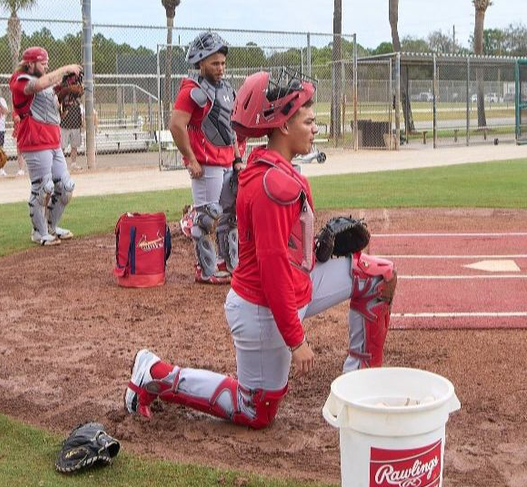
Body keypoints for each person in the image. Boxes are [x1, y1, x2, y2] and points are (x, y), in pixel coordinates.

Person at [125, 69, 397, 429]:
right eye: (308, 121)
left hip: (292, 288)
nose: (315, 129)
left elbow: (284, 250)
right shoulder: (273, 185)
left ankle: (360, 387)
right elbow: (272, 270)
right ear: (283, 126)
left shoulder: (272, 168)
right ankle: (154, 374)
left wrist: (317, 250)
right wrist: (296, 341)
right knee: (255, 410)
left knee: (375, 275)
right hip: (262, 306)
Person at [169, 31, 241, 284]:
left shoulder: (227, 90)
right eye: (214, 63)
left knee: (229, 216)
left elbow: (230, 127)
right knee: (207, 217)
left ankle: (226, 262)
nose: (220, 68)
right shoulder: (192, 89)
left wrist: (237, 158)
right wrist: (191, 159)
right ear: (200, 63)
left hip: (226, 161)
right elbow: (176, 125)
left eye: (223, 63)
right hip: (206, 164)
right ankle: (205, 270)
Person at [9, 47, 83, 245]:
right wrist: (66, 69)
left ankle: (52, 227)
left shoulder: (47, 85)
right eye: (42, 63)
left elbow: (54, 109)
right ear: (30, 64)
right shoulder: (20, 80)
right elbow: (39, 85)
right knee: (43, 187)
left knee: (66, 187)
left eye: (46, 63)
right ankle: (39, 232)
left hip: (53, 141)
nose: (46, 66)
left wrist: (64, 100)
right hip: (35, 140)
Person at [59, 85, 84, 172]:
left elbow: (80, 111)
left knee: (74, 145)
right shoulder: (64, 96)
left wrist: (80, 123)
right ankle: (61, 165)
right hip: (64, 125)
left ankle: (73, 163)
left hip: (75, 124)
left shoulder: (78, 99)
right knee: (62, 146)